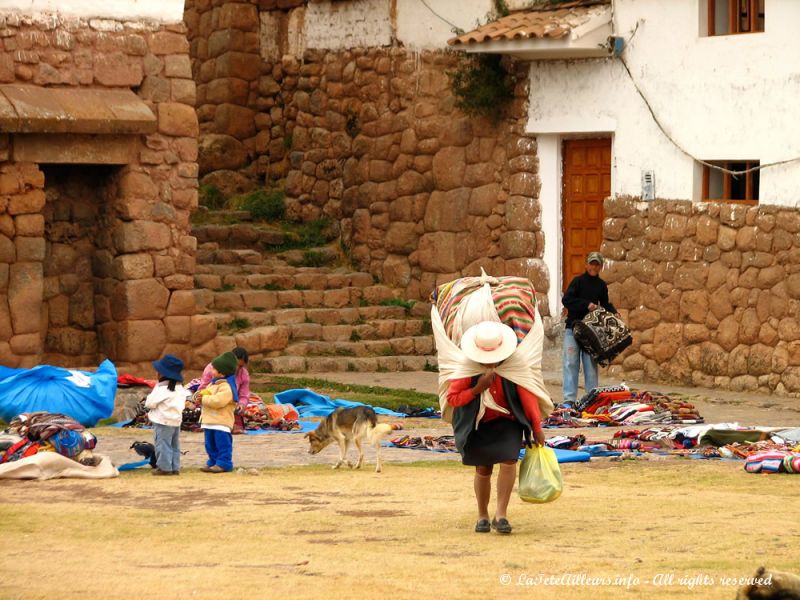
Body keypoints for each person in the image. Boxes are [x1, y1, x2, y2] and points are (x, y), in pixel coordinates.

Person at [447, 321, 546, 535]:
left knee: (509, 460)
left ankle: (501, 514)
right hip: (479, 423)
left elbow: (527, 397)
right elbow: (453, 398)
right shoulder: (467, 367)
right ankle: (482, 515)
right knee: (483, 468)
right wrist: (477, 389)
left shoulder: (514, 364)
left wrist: (536, 427)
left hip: (508, 421)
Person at [561, 251, 618, 404]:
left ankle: (591, 399)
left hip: (591, 332)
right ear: (586, 265)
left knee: (590, 365)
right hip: (572, 328)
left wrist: (614, 313)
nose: (593, 267)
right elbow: (567, 300)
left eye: (596, 264)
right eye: (591, 263)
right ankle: (569, 400)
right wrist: (586, 305)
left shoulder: (601, 285)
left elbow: (605, 304)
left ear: (600, 267)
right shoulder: (577, 282)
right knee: (570, 363)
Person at [144, 354, 189, 476]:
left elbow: (150, 403)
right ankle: (175, 467)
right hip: (176, 421)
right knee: (174, 445)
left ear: (162, 373)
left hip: (163, 421)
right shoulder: (180, 388)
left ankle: (164, 467)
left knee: (162, 444)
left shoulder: (161, 388)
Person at [198, 351, 238, 473]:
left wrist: (204, 399)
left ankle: (224, 463)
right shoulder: (213, 384)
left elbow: (218, 401)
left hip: (221, 422)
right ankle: (213, 461)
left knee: (222, 444)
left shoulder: (226, 387)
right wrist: (198, 396)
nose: (211, 370)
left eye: (214, 369)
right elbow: (206, 392)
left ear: (222, 372)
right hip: (210, 421)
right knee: (210, 444)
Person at [198, 347, 251, 434]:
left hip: (228, 405)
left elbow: (244, 395)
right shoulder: (213, 368)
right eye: (236, 365)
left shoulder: (243, 374)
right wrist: (202, 398)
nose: (237, 368)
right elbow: (203, 388)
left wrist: (241, 405)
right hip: (211, 402)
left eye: (240, 366)